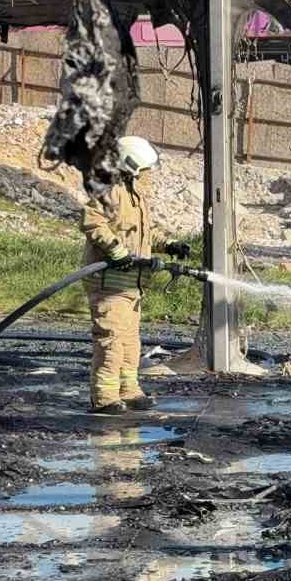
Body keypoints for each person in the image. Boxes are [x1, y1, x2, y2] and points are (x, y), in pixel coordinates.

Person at [80, 136, 190, 415]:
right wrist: (116, 251)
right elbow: (92, 222)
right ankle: (104, 397)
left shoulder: (135, 195)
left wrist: (168, 245)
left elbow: (142, 233)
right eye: (144, 169)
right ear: (131, 166)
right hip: (109, 283)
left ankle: (129, 390)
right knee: (111, 341)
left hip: (132, 283)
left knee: (130, 341)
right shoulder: (109, 190)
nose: (147, 174)